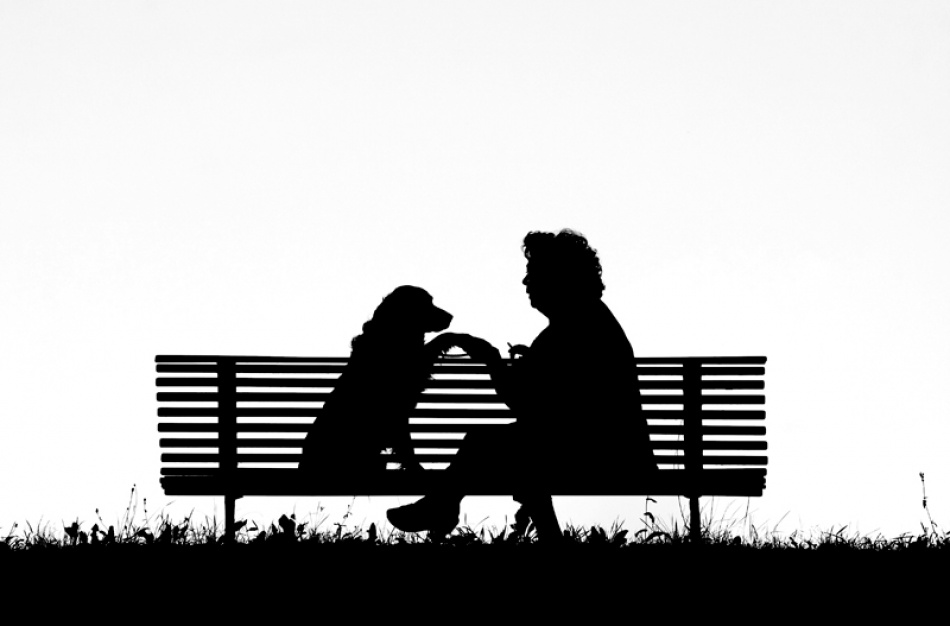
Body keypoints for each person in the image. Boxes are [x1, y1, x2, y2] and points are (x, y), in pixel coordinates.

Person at [387, 229, 656, 540]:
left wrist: (491, 360)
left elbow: (524, 403)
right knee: (512, 447)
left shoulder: (573, 326)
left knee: (488, 443)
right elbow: (557, 397)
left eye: (534, 272)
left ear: (558, 277)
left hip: (600, 455)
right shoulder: (586, 320)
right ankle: (536, 535)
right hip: (607, 449)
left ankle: (442, 505)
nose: (526, 281)